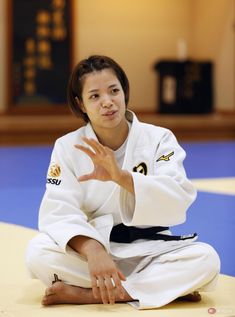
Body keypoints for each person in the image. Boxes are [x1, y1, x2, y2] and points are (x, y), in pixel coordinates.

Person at [26, 55, 220, 309]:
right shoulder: (67, 147)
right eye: (94, 96)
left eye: (114, 91)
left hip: (152, 250)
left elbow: (178, 198)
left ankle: (92, 294)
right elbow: (58, 211)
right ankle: (158, 289)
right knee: (37, 252)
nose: (108, 102)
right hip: (95, 249)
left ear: (124, 92)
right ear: (80, 104)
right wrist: (95, 252)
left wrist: (122, 178)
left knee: (206, 259)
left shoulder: (159, 139)